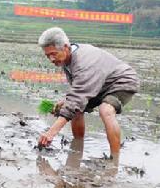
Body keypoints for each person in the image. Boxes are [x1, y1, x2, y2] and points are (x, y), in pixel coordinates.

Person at [37, 27, 139, 157]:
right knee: (76, 110)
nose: (51, 59)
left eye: (54, 54)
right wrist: (66, 103)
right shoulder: (66, 60)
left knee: (106, 110)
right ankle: (78, 148)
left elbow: (77, 98)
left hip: (121, 81)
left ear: (66, 47)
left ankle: (115, 159)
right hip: (99, 84)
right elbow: (78, 93)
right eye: (47, 56)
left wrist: (50, 133)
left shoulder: (83, 62)